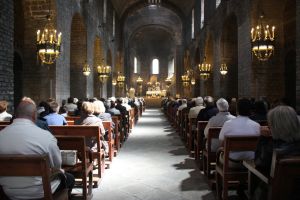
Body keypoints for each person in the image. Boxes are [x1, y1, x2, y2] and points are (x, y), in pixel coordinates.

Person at [0, 97, 74, 199]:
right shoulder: (46, 136)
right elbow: (57, 165)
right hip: (41, 191)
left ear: (15, 114)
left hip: (8, 191)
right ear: (35, 115)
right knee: (69, 178)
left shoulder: (1, 135)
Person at [253, 105, 300, 200]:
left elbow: (258, 162)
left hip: (278, 193)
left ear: (275, 126)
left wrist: (263, 138)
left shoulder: (273, 149)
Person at [218, 98, 260, 168]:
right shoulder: (257, 125)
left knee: (220, 153)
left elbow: (221, 139)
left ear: (237, 110)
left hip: (232, 161)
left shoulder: (228, 124)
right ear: (250, 110)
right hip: (251, 162)